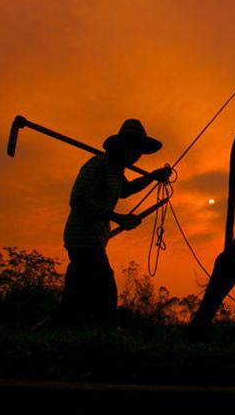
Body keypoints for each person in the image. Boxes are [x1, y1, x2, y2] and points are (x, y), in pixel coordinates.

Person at [53, 119, 172, 327]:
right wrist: (118, 218)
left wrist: (152, 177)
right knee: (105, 289)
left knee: (76, 292)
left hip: (96, 238)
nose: (137, 156)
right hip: (82, 238)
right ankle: (105, 334)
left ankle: (62, 328)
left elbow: (125, 191)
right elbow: (78, 200)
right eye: (135, 150)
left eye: (140, 152)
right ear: (123, 146)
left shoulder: (116, 171)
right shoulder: (98, 164)